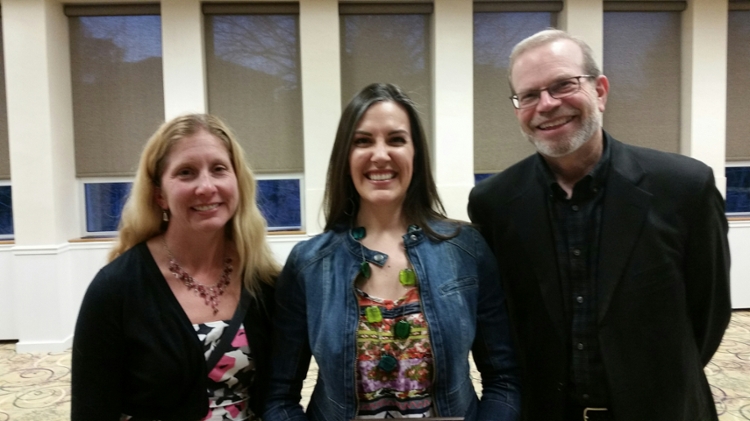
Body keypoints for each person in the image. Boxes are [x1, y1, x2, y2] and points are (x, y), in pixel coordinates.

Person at [468, 29, 731, 421]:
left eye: (563, 85)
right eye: (528, 95)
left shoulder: (683, 188)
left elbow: (708, 313)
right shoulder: (495, 204)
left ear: (601, 91)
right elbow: (504, 327)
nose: (547, 104)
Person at [264, 83, 520, 421]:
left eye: (396, 139)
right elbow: (278, 398)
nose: (380, 154)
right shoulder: (309, 264)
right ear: (346, 156)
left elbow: (504, 381)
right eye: (363, 141)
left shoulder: (466, 250)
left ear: (415, 152)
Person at [71, 114, 279, 421]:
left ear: (237, 180)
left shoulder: (263, 279)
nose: (206, 187)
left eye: (219, 169)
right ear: (159, 195)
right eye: (186, 173)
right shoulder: (117, 288)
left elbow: (277, 394)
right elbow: (92, 410)